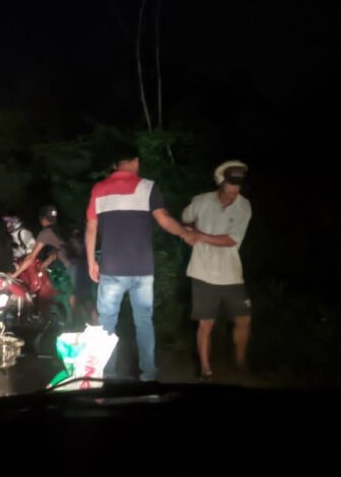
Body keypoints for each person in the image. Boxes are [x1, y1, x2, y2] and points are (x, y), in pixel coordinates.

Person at [85, 143, 197, 381]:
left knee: (107, 324)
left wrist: (90, 262)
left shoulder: (99, 188)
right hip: (142, 270)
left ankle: (108, 375)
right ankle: (148, 375)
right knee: (144, 323)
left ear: (115, 165)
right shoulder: (148, 187)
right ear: (135, 161)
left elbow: (91, 228)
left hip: (111, 269)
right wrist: (185, 233)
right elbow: (165, 220)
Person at [182, 161, 252, 381]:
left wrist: (199, 235)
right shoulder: (201, 201)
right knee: (206, 323)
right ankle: (206, 370)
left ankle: (240, 363)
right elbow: (184, 219)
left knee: (244, 319)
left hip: (231, 273)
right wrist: (188, 230)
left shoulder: (244, 206)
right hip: (203, 271)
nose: (234, 192)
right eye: (231, 185)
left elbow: (231, 240)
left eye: (238, 185)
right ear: (221, 181)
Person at [11, 205, 74, 323]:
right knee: (75, 297)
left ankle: (68, 325)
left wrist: (15, 275)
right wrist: (45, 263)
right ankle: (77, 323)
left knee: (55, 296)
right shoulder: (61, 229)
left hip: (64, 269)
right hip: (75, 266)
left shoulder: (45, 233)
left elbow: (31, 257)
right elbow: (58, 251)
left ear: (42, 219)